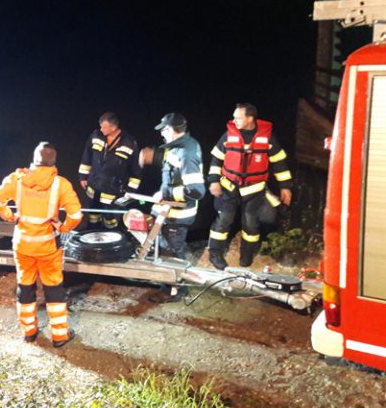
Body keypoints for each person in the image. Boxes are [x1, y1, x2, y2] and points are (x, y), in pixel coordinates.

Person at [0, 142, 83, 347]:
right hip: (48, 246)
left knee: (25, 286)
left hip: (22, 245)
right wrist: (64, 228)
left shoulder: (18, 179)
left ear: (34, 160)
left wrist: (9, 216)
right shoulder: (60, 184)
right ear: (54, 162)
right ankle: (59, 336)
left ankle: (29, 331)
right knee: (53, 288)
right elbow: (76, 214)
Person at [206, 103, 293, 270]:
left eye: (238, 117)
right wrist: (214, 181)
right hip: (229, 186)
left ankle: (247, 254)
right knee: (224, 220)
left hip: (254, 189)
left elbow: (279, 163)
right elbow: (216, 159)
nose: (234, 120)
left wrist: (285, 187)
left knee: (251, 223)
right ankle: (215, 254)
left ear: (250, 118)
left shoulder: (267, 138)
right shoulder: (229, 135)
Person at [139, 113, 205, 302]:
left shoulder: (187, 152)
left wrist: (166, 196)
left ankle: (175, 292)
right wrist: (153, 157)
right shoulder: (181, 147)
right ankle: (167, 284)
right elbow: (173, 171)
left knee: (172, 253)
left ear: (170, 130)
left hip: (177, 214)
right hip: (168, 211)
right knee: (166, 249)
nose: (162, 135)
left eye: (163, 130)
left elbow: (196, 191)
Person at [78, 112, 142, 229]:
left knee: (110, 217)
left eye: (104, 127)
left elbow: (135, 170)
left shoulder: (129, 142)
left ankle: (111, 236)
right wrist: (83, 177)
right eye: (100, 126)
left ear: (113, 128)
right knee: (93, 214)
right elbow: (86, 156)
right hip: (94, 185)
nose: (101, 129)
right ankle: (92, 233)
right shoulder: (96, 135)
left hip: (112, 189)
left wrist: (130, 190)